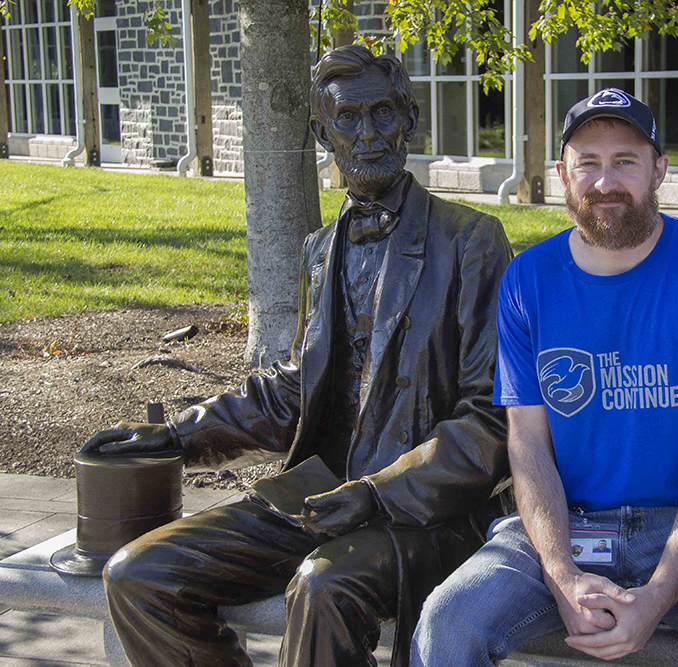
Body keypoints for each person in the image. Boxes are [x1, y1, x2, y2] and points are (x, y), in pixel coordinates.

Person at [81, 45, 512, 667]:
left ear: (410, 120)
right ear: (322, 132)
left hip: (422, 513)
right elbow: (294, 388)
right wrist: (178, 435)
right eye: (347, 119)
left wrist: (379, 493)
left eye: (383, 115)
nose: (367, 136)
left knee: (322, 586)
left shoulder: (471, 242)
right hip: (317, 494)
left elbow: (492, 417)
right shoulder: (319, 249)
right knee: (138, 574)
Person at [410, 88, 678, 666]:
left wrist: (662, 589)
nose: (604, 181)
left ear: (659, 170)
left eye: (625, 161)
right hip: (565, 521)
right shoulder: (529, 280)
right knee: (446, 621)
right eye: (588, 163)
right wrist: (563, 576)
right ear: (563, 175)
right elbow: (529, 443)